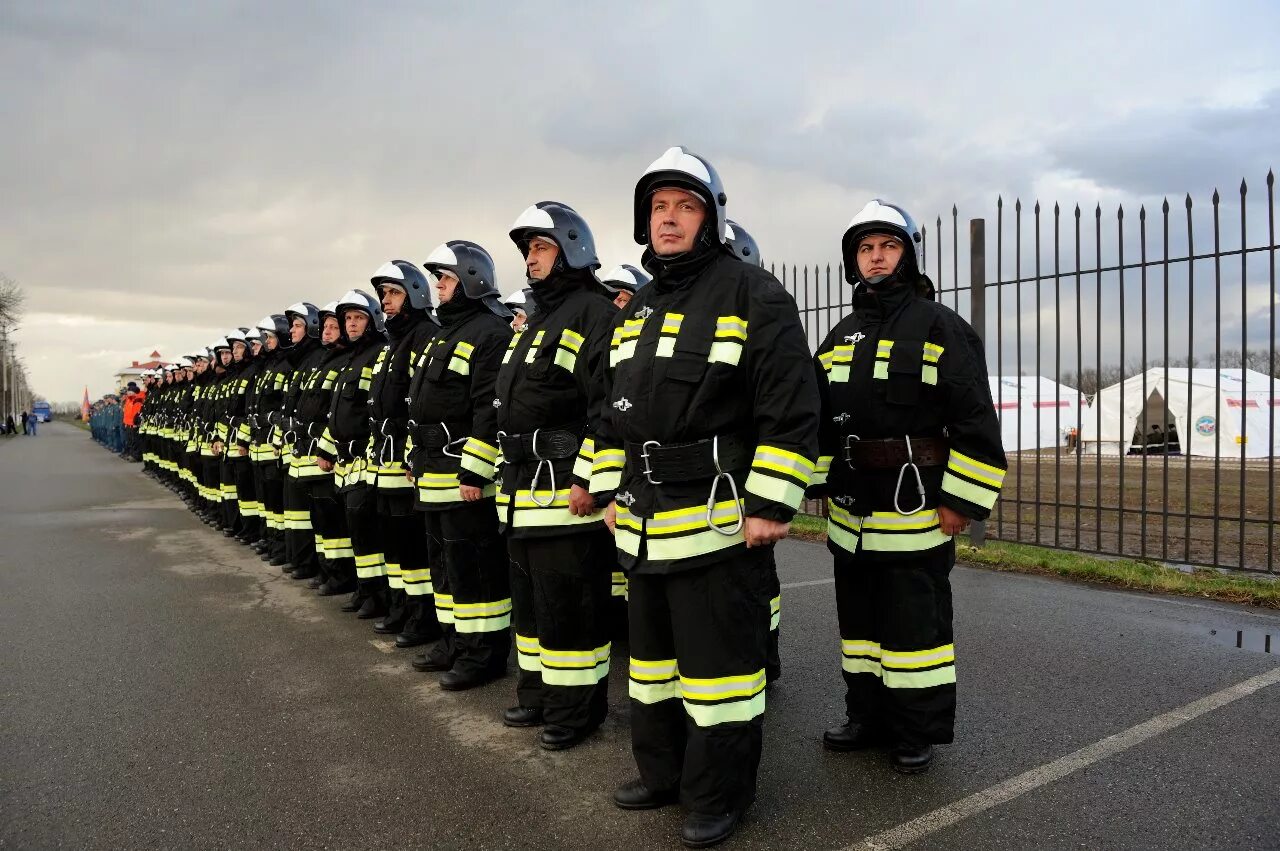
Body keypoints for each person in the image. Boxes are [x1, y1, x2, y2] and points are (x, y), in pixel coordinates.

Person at [597, 146, 819, 848]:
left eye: (684, 206)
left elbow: (791, 404)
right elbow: (613, 412)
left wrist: (772, 503)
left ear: (711, 217)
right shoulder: (640, 307)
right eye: (659, 208)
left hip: (720, 522)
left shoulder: (753, 293)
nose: (669, 219)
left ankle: (718, 795)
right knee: (654, 668)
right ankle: (662, 774)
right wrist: (606, 487)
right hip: (644, 521)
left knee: (720, 676)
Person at [809, 199, 1007, 774]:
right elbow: (820, 418)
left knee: (914, 629)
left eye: (888, 247)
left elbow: (974, 418)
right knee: (861, 626)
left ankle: (914, 731)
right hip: (852, 513)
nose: (876, 258)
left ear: (909, 255)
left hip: (915, 507)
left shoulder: (941, 326)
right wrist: (819, 487)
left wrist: (960, 501)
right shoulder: (841, 334)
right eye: (866, 249)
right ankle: (865, 717)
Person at [495, 200, 617, 751]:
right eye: (528, 251)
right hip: (521, 490)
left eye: (541, 247)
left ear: (572, 247)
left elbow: (608, 405)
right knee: (531, 603)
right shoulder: (535, 320)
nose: (531, 259)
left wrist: (591, 477)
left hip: (565, 488)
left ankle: (577, 711)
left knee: (570, 607)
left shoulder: (594, 313)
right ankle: (537, 694)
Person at [406, 240, 514, 688]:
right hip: (432, 472)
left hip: (462, 475)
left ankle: (482, 656)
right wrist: (415, 455)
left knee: (476, 571)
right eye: (437, 280)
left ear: (472, 278)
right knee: (444, 566)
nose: (438, 287)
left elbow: (488, 409)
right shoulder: (444, 335)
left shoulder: (489, 331)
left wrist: (475, 470)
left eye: (446, 279)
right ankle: (453, 642)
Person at [364, 260, 441, 643]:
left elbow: (419, 402)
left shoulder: (424, 334)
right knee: (393, 543)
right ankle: (400, 609)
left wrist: (411, 452)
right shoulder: (391, 344)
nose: (387, 302)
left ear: (414, 293)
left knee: (413, 547)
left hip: (406, 462)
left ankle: (421, 618)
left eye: (394, 293)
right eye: (383, 295)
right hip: (385, 461)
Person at [313, 290, 391, 619]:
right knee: (353, 527)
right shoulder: (350, 360)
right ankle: (364, 589)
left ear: (372, 320)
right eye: (348, 319)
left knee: (366, 528)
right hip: (345, 460)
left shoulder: (378, 354)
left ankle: (376, 596)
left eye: (358, 318)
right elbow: (337, 413)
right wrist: (326, 450)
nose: (352, 324)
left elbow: (374, 411)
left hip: (365, 458)